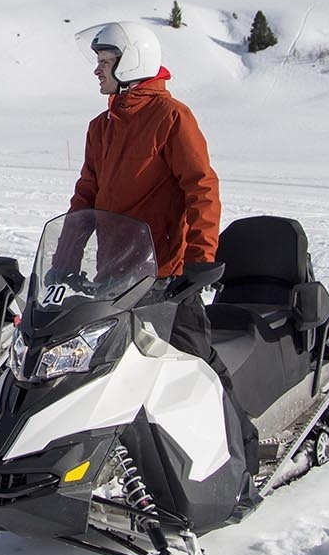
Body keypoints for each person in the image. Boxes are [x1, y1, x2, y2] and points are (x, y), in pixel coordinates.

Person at [68, 20, 225, 373]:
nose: (97, 70)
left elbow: (201, 188)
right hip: (113, 277)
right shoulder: (102, 126)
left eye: (105, 61)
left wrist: (200, 260)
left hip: (166, 279)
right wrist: (64, 261)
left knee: (197, 367)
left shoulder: (172, 118)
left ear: (131, 63)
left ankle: (240, 428)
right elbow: (84, 199)